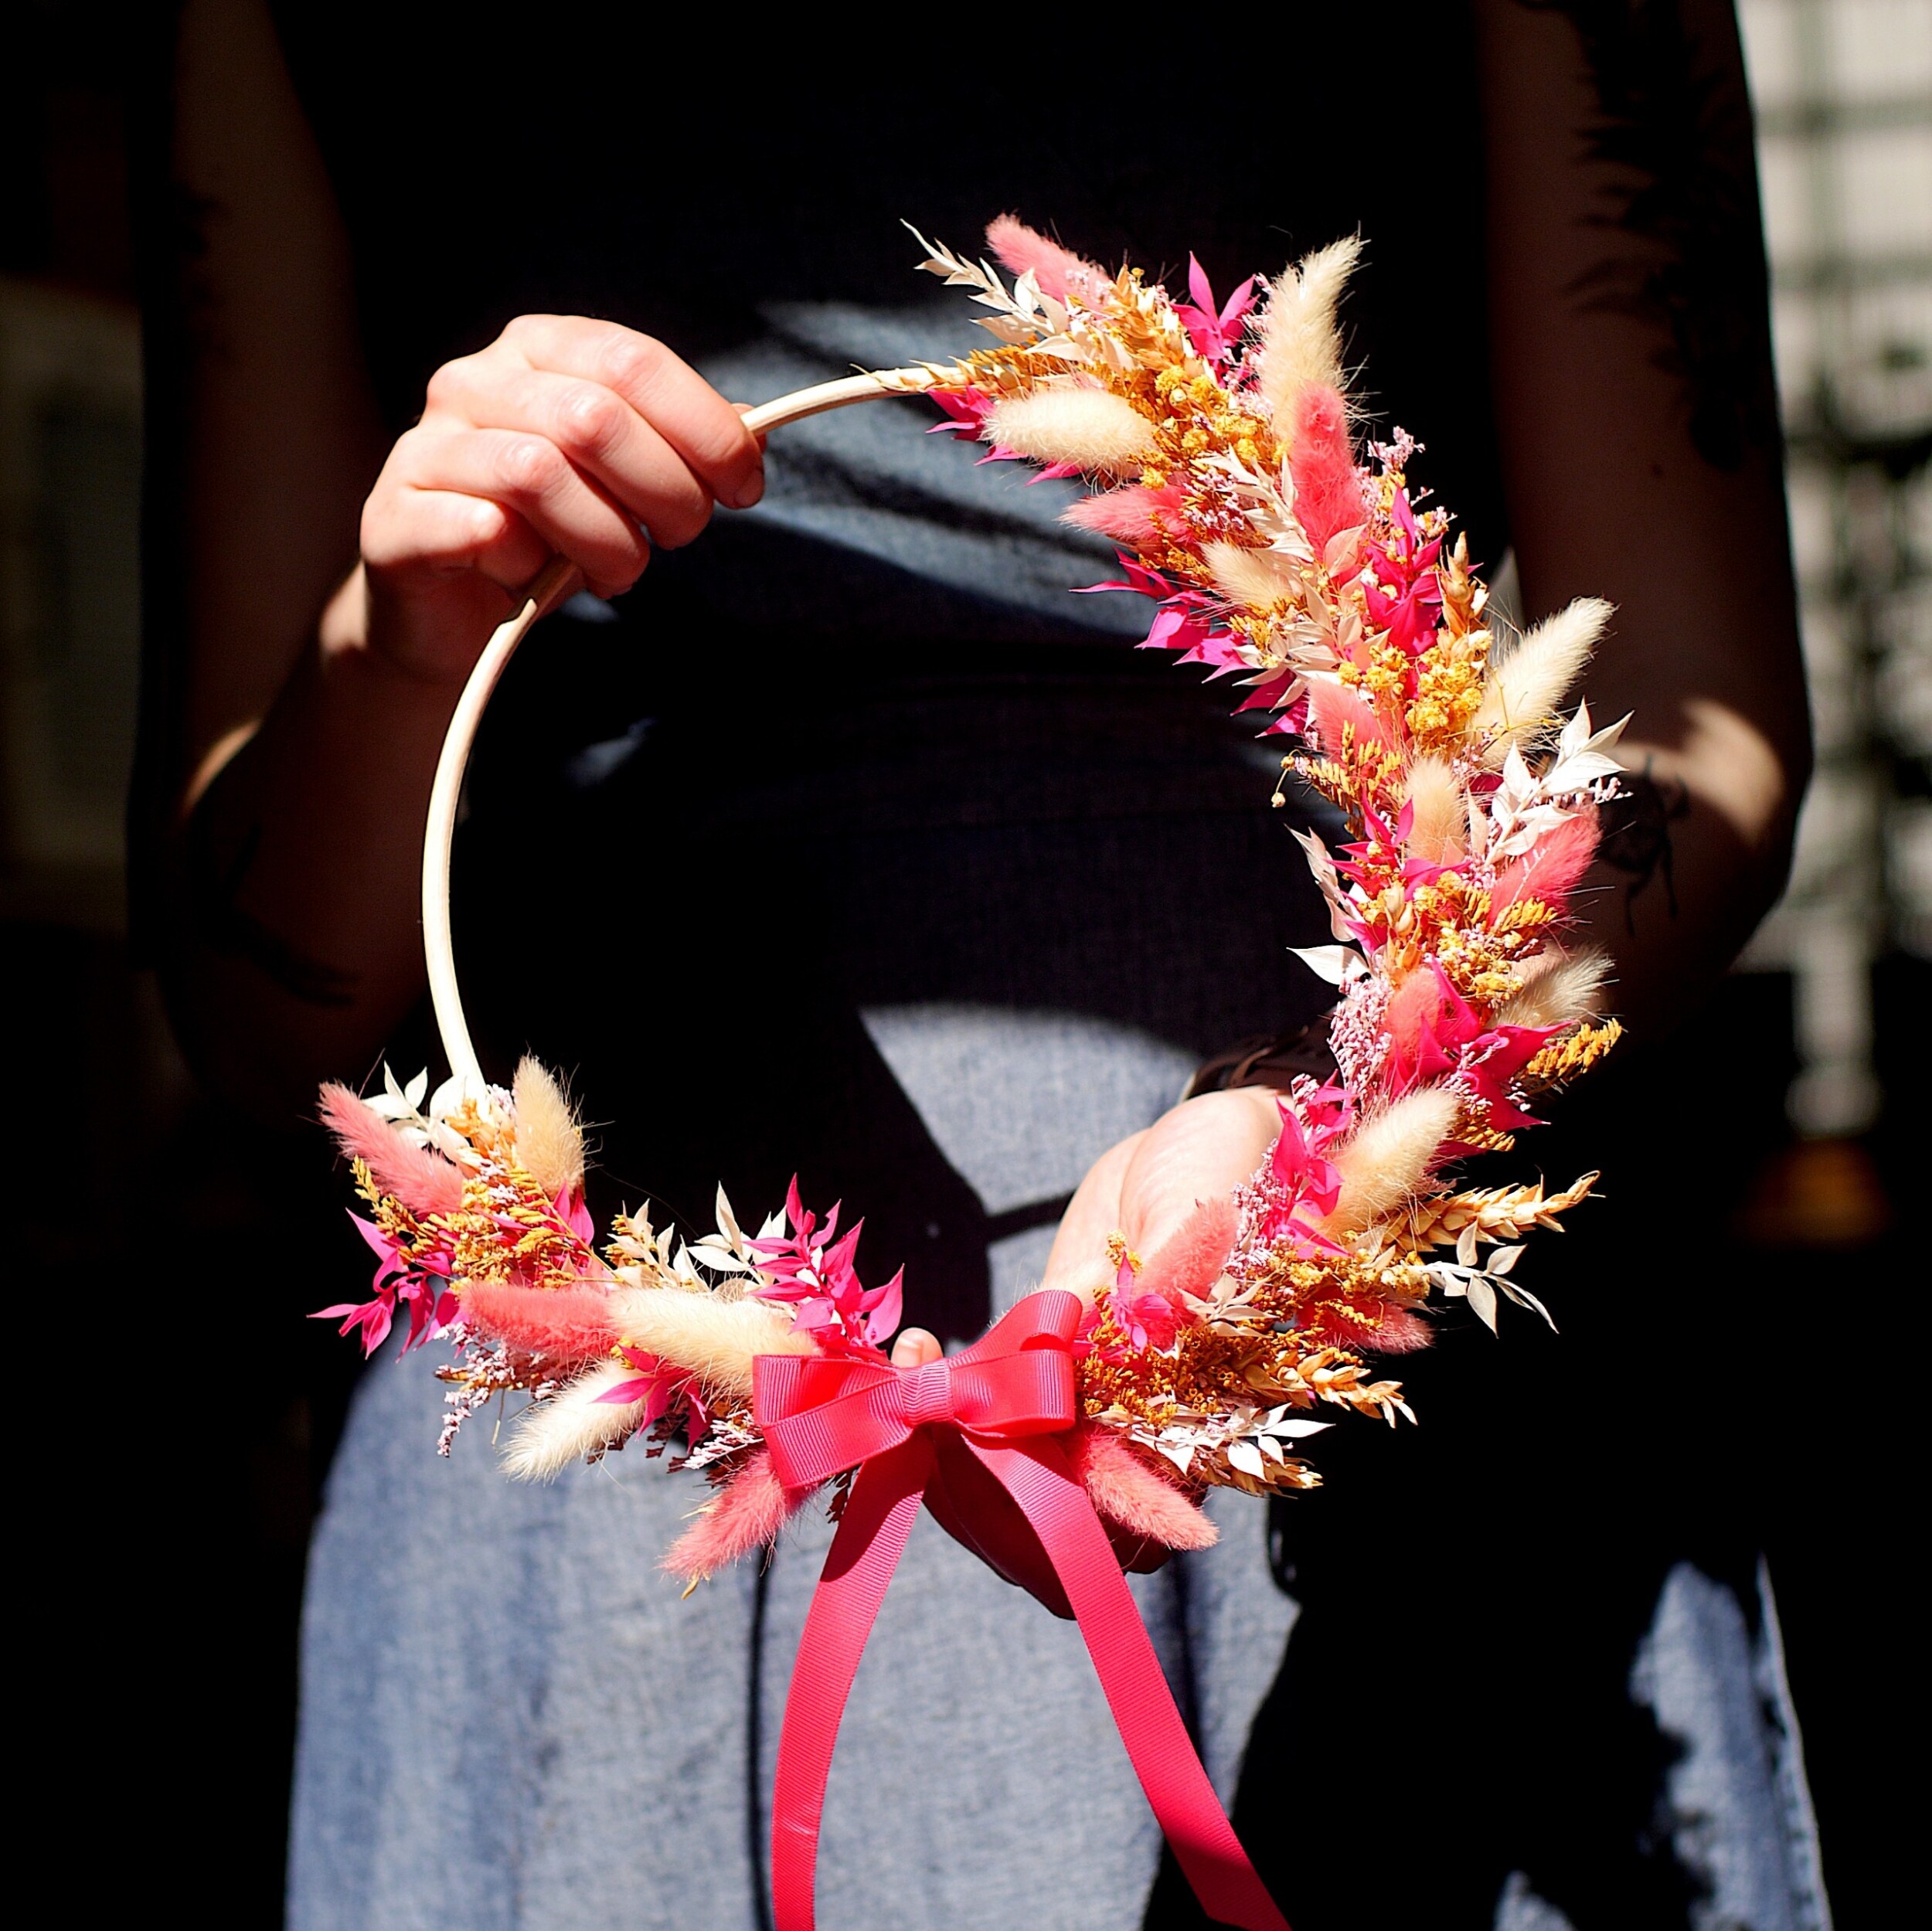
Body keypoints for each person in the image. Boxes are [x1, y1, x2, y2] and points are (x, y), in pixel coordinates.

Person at [137, 2, 1820, 1926]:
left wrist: (1329, 1132)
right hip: (612, 1482)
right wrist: (395, 646)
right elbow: (248, 1000)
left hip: (1333, 1359)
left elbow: (1689, 719)